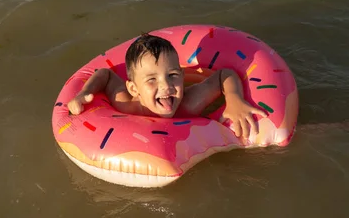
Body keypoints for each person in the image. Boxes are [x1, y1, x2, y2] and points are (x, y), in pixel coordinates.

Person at [67, 33, 266, 139]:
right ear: (134, 89)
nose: (166, 86)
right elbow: (106, 75)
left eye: (172, 75)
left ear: (181, 75)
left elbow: (225, 74)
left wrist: (234, 100)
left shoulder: (189, 103)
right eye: (151, 79)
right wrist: (85, 93)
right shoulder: (126, 104)